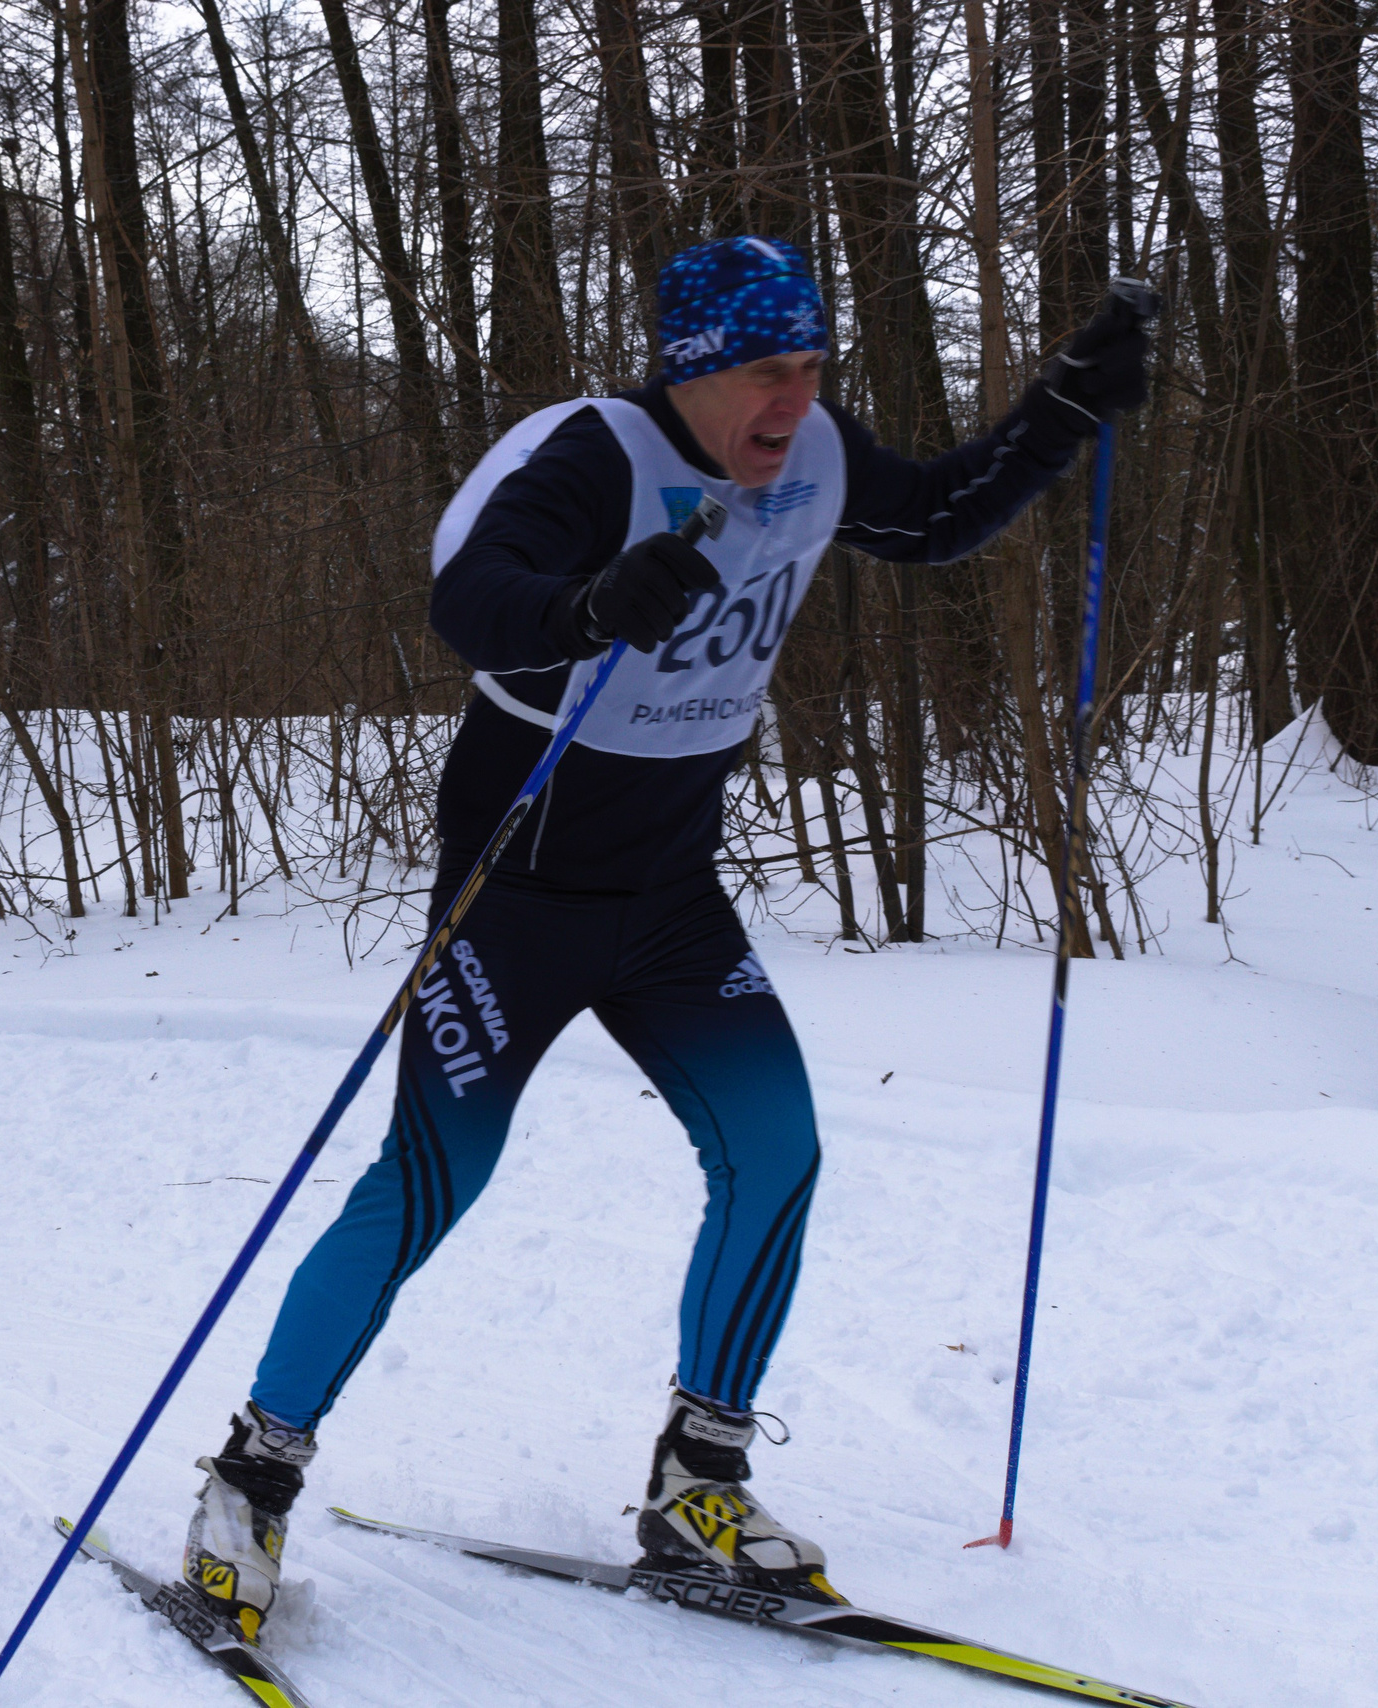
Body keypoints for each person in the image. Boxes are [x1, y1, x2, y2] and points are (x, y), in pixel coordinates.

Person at [179, 236, 1156, 1638]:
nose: (794, 398)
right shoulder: (592, 458)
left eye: (812, 367)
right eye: (768, 370)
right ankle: (251, 1479)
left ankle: (698, 1481)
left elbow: (934, 517)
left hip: (669, 897)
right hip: (514, 902)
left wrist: (1065, 407)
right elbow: (472, 598)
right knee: (427, 1188)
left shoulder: (811, 452)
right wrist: (587, 607)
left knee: (777, 1151)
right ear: (695, 373)